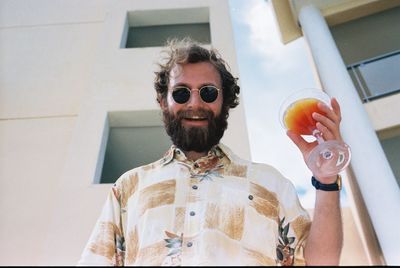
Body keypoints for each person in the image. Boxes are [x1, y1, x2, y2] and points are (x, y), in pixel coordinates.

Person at [78, 38, 343, 266]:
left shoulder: (270, 183)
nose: (195, 103)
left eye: (208, 92)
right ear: (163, 102)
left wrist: (326, 179)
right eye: (181, 93)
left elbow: (320, 261)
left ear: (225, 102)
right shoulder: (128, 187)